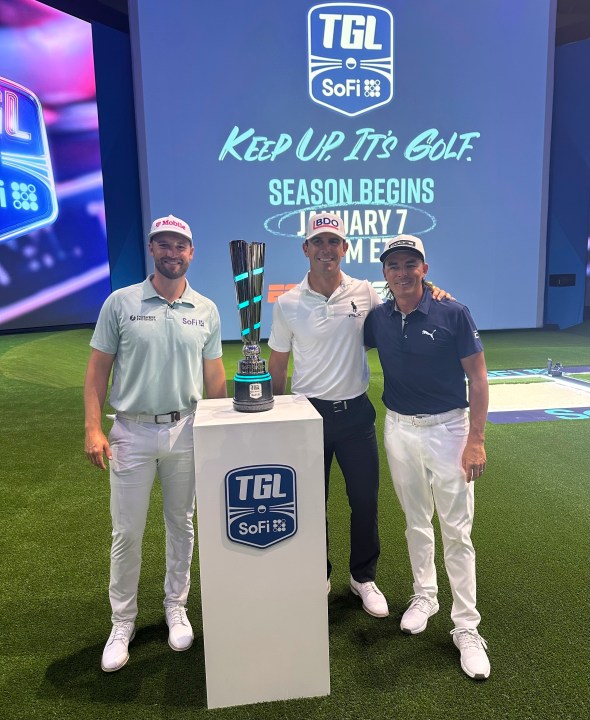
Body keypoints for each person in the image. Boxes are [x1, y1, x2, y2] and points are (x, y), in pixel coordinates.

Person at [267, 212, 448, 619]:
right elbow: (278, 366)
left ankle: (363, 578)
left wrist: (434, 290)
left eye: (334, 242)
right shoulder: (288, 303)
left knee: (364, 501)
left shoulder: (365, 292)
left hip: (356, 416)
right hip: (306, 418)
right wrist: (276, 420)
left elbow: (403, 306)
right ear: (306, 249)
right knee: (313, 504)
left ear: (344, 248)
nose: (326, 249)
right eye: (318, 242)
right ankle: (318, 576)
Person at [83, 214, 227, 672]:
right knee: (126, 532)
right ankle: (121, 623)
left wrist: (220, 428)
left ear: (191, 252)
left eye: (179, 246)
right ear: (152, 250)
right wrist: (92, 428)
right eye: (163, 244)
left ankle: (175, 607)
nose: (172, 253)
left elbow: (215, 378)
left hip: (186, 428)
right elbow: (97, 371)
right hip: (131, 431)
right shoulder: (121, 303)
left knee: (181, 523)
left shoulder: (205, 308)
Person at [364, 234, 490, 680]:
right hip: (398, 428)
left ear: (425, 268)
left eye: (410, 264)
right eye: (393, 265)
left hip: (449, 430)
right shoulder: (378, 317)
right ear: (385, 274)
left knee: (456, 531)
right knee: (415, 521)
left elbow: (477, 378)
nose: (402, 272)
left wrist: (475, 440)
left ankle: (466, 627)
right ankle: (425, 595)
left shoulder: (452, 311)